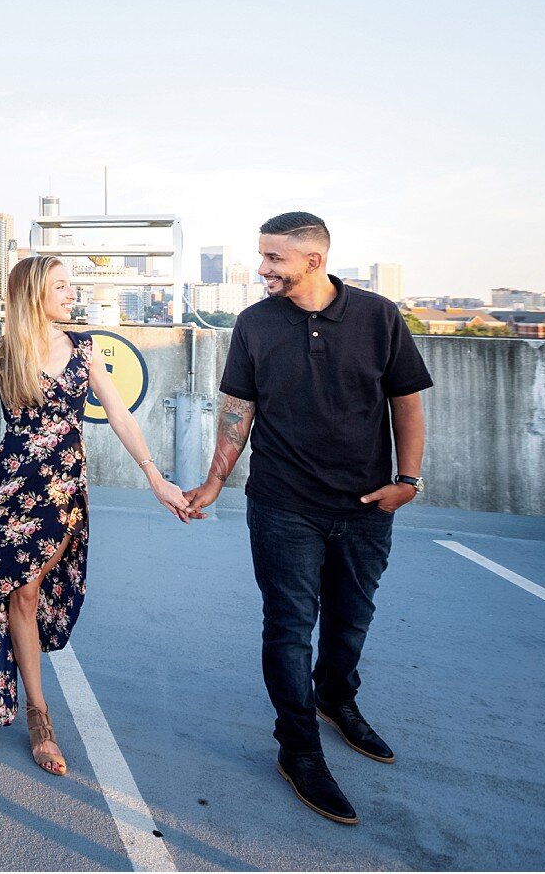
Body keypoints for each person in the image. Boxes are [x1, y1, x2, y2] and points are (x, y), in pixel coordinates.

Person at [0, 255, 192, 776]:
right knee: (5, 584)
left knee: (27, 589)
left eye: (71, 286)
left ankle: (28, 698)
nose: (71, 294)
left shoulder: (83, 350)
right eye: (61, 286)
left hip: (61, 495)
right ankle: (39, 712)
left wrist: (155, 477)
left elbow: (118, 413)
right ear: (33, 294)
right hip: (8, 487)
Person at [185, 212, 432, 826]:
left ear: (314, 260)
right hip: (281, 505)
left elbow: (406, 401)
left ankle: (336, 697)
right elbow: (237, 410)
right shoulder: (254, 324)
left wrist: (408, 480)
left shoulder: (377, 317)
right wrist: (215, 481)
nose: (262, 268)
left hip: (366, 505)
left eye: (274, 259)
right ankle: (298, 748)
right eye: (261, 256)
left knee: (352, 619)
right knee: (290, 626)